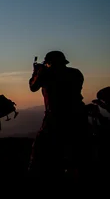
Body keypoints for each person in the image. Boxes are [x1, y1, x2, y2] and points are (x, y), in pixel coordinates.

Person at [28, 50, 88, 180]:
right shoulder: (76, 73)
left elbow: (33, 87)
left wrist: (36, 72)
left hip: (55, 117)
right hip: (78, 115)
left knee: (40, 150)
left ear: (49, 63)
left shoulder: (46, 74)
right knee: (76, 152)